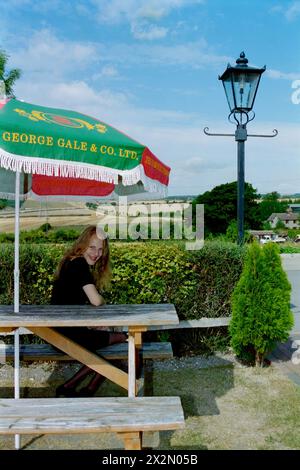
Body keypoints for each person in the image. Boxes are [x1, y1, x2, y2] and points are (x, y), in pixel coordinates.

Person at [51, 225, 127, 397]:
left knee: (112, 343)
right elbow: (95, 300)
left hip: (60, 332)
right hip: (66, 336)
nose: (96, 253)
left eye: (100, 249)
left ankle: (73, 387)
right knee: (124, 340)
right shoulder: (79, 264)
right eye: (92, 247)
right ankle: (83, 388)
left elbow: (70, 303)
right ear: (82, 244)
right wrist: (102, 304)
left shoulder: (69, 262)